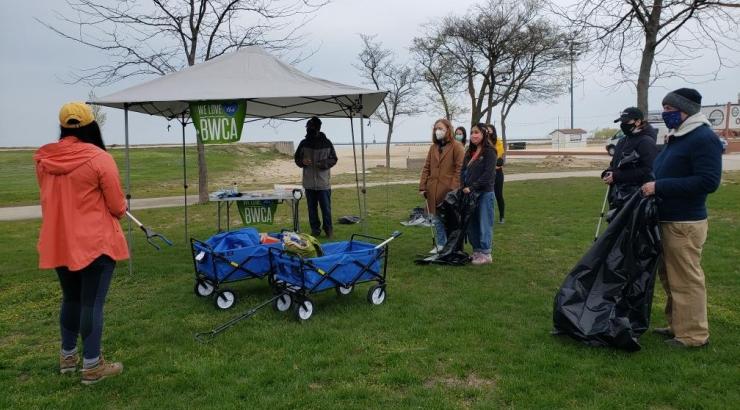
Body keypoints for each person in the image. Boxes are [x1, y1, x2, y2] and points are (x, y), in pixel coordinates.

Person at [34, 102, 128, 384]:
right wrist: (122, 207)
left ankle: (67, 356)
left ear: (63, 126)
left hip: (60, 240)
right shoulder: (100, 158)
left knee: (71, 298)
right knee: (91, 303)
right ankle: (92, 365)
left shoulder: (44, 160)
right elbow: (116, 206)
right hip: (95, 243)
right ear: (91, 125)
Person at [640, 88, 722, 348]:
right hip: (667, 218)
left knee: (686, 279)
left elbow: (708, 181)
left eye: (669, 109)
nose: (665, 114)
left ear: (685, 110)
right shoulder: (678, 136)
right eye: (664, 108)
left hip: (684, 222)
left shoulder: (702, 138)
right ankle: (677, 324)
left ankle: (693, 335)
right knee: (670, 276)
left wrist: (660, 187)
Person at [419, 118, 465, 253]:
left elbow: (460, 169)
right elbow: (426, 167)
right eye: (436, 129)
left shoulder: (457, 146)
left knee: (449, 220)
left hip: (448, 190)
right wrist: (422, 186)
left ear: (448, 130)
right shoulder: (433, 147)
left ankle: (452, 247)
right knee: (436, 218)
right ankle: (440, 244)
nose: (437, 131)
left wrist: (453, 188)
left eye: (440, 129)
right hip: (433, 189)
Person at [601, 107, 658, 213]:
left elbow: (648, 170)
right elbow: (615, 164)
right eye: (622, 121)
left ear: (638, 122)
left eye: (626, 121)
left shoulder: (646, 141)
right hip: (619, 194)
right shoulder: (623, 140)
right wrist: (608, 172)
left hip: (637, 196)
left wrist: (617, 176)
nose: (623, 124)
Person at [294, 116, 338, 238]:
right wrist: (303, 162)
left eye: (311, 127)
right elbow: (297, 159)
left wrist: (323, 164)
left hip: (323, 184)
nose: (309, 129)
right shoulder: (303, 143)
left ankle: (328, 230)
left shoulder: (327, 142)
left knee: (326, 209)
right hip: (309, 184)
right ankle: (315, 230)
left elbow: (334, 159)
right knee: (312, 210)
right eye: (308, 127)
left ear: (317, 128)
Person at [461, 123, 497, 265]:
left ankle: (486, 253)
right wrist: (463, 185)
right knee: (472, 223)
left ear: (483, 134)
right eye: (472, 132)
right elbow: (463, 170)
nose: (473, 135)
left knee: (484, 223)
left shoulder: (490, 152)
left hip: (484, 193)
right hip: (469, 193)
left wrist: (473, 187)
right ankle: (476, 251)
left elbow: (488, 174)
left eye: (477, 132)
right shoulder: (470, 151)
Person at [486, 124, 506, 224]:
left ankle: (502, 216)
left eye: (490, 131)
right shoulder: (483, 143)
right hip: (487, 174)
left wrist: (493, 165)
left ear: (493, 131)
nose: (488, 133)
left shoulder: (498, 142)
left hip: (497, 173)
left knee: (498, 195)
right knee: (488, 196)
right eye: (486, 131)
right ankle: (489, 217)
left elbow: (498, 159)